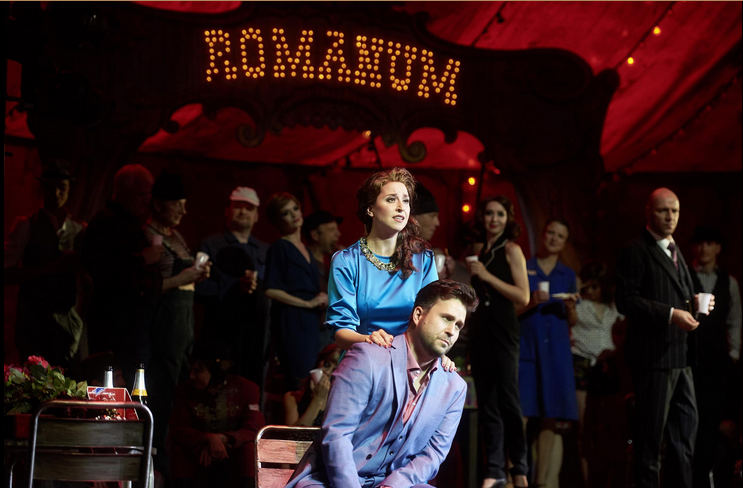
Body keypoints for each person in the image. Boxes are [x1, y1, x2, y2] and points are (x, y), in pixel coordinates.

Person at [284, 279, 479, 488]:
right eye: (446, 319)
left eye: (458, 325)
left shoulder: (454, 387)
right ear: (418, 315)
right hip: (331, 481)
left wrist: (391, 486)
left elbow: (432, 455)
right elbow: (337, 435)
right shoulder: (366, 357)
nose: (452, 331)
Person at [615, 187, 712, 488]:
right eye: (663, 210)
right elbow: (626, 300)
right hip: (654, 358)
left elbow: (671, 292)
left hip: (681, 357)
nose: (670, 217)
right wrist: (671, 313)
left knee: (684, 439)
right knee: (650, 442)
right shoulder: (636, 249)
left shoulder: (674, 248)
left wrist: (693, 302)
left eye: (675, 211)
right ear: (649, 212)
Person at [326, 168, 443, 359]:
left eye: (405, 200)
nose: (401, 207)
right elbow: (341, 332)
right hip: (363, 362)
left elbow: (433, 318)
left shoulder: (423, 259)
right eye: (391, 199)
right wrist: (368, 339)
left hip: (411, 363)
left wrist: (439, 353)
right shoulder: (347, 260)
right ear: (370, 209)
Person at [144, 170, 210, 480]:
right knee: (163, 392)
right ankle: (156, 466)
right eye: (176, 204)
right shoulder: (148, 234)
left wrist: (198, 276)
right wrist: (183, 279)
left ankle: (177, 466)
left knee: (181, 391)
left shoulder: (176, 236)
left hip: (183, 324)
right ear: (157, 204)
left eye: (184, 203)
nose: (183, 210)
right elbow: (146, 287)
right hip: (163, 322)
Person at [466, 196, 530, 488]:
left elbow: (523, 296)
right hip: (480, 330)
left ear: (508, 218)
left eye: (500, 214)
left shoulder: (512, 249)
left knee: (508, 399)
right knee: (487, 401)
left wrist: (487, 276)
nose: (493, 219)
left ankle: (519, 466)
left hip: (504, 330)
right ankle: (493, 470)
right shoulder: (480, 251)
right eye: (489, 213)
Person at [81, 164, 163, 387]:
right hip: (116, 326)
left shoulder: (132, 224)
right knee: (118, 383)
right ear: (124, 191)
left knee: (138, 381)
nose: (147, 200)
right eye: (142, 194)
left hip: (135, 325)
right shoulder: (105, 224)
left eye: (149, 194)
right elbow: (102, 269)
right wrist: (143, 259)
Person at [516, 218, 580, 488]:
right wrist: (532, 303)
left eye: (560, 236)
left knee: (550, 416)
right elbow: (512, 311)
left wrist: (571, 307)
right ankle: (517, 477)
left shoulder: (567, 275)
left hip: (556, 354)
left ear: (564, 242)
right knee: (521, 414)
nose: (554, 238)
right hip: (527, 350)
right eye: (551, 232)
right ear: (542, 235)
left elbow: (573, 321)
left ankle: (544, 482)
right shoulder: (524, 267)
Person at [4, 159, 86, 367]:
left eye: (62, 187)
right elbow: (6, 272)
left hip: (66, 319)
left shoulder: (80, 229)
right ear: (42, 188)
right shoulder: (27, 225)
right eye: (50, 187)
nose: (56, 193)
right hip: (33, 320)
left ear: (69, 189)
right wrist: (49, 268)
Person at [196, 186, 271, 388]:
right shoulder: (210, 245)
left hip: (257, 338)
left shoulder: (266, 250)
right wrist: (232, 289)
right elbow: (201, 288)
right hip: (221, 332)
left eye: (249, 208)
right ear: (227, 210)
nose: (243, 212)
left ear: (256, 216)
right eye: (238, 206)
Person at [170, 341, 265, 488]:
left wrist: (222, 439)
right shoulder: (184, 391)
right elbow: (178, 429)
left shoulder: (247, 389)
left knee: (249, 450)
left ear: (216, 372)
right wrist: (207, 438)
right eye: (192, 369)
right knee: (179, 452)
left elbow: (254, 429)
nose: (192, 375)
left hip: (232, 452)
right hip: (199, 453)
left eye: (198, 371)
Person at [688, 225, 740, 488]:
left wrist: (732, 354)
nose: (704, 248)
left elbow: (734, 320)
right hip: (690, 359)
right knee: (690, 420)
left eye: (709, 243)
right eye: (699, 243)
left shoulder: (728, 282)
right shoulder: (685, 276)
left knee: (712, 421)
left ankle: (708, 476)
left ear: (718, 248)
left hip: (717, 361)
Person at [264, 192, 328, 391]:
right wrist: (307, 303)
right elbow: (271, 290)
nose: (293, 215)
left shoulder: (305, 249)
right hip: (292, 319)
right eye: (285, 213)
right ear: (277, 221)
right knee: (299, 378)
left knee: (312, 375)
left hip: (310, 321)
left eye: (295, 209)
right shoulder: (280, 248)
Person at [570, 261, 625, 486]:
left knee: (609, 427)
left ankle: (607, 479)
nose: (591, 291)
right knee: (583, 427)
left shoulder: (615, 308)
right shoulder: (578, 305)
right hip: (581, 363)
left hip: (607, 367)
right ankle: (585, 480)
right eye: (587, 287)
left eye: (595, 286)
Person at [303, 210, 343, 351]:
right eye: (331, 230)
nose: (337, 234)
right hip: (314, 334)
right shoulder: (305, 265)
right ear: (315, 235)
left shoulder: (327, 267)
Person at [283, 343, 341, 426]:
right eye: (326, 364)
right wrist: (317, 399)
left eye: (334, 370)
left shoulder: (340, 402)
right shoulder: (293, 398)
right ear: (319, 362)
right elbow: (294, 436)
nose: (327, 372)